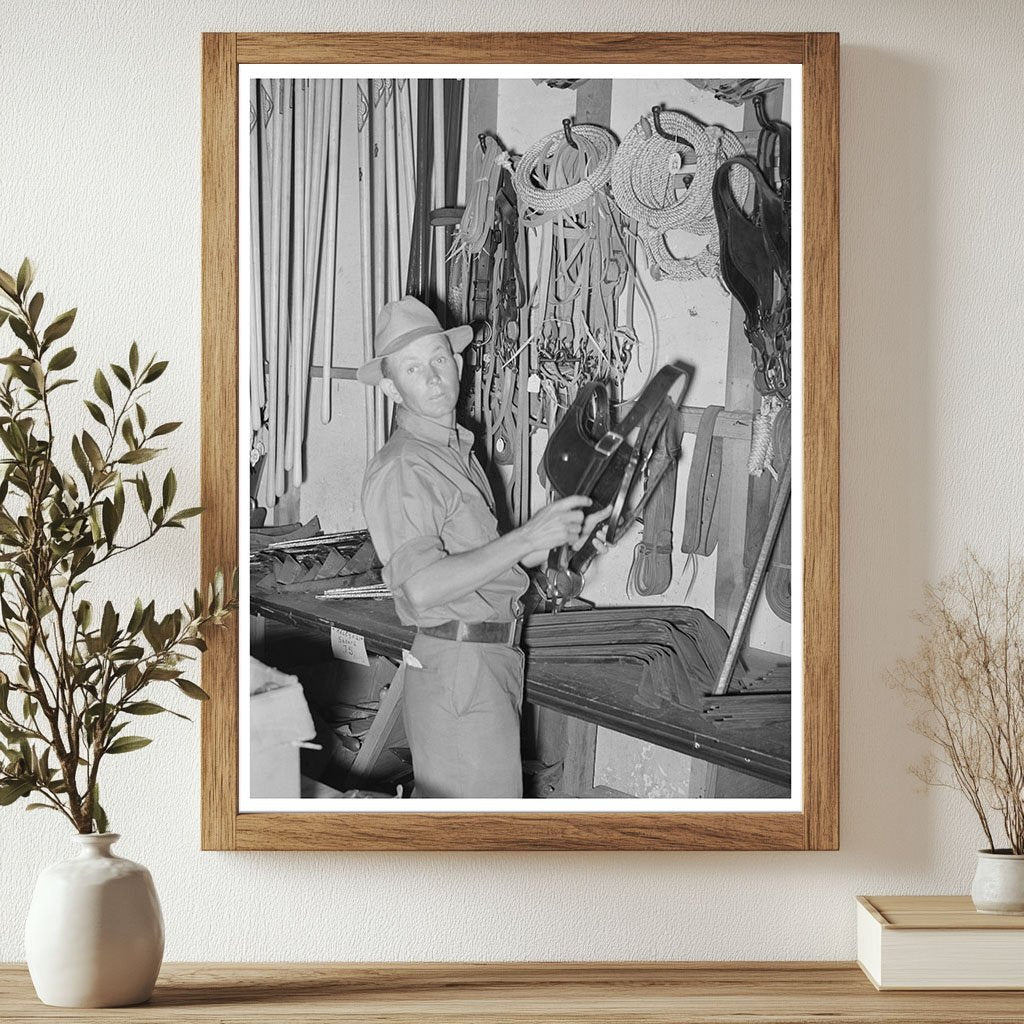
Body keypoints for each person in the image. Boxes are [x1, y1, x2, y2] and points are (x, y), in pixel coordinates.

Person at [358, 296, 606, 798]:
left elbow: (484, 564)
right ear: (390, 387)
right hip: (458, 669)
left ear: (458, 363)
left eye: (439, 359)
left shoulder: (455, 453)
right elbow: (423, 587)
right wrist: (527, 536)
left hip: (490, 660)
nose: (432, 376)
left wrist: (556, 536)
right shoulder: (405, 466)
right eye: (412, 368)